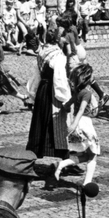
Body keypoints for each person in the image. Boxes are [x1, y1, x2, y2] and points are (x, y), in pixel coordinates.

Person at [27, 29, 71, 159]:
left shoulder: (42, 52)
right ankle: (64, 157)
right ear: (57, 39)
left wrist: (32, 95)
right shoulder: (58, 55)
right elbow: (59, 78)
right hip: (52, 91)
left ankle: (36, 151)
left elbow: (36, 75)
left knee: (41, 122)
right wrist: (65, 99)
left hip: (42, 89)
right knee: (58, 122)